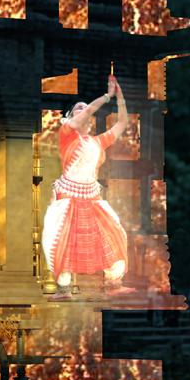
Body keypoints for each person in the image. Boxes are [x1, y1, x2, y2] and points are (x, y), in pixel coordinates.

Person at [42, 74, 133, 299]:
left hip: (91, 195)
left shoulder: (97, 142)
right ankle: (63, 288)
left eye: (85, 110)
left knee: (115, 231)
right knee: (57, 237)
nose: (83, 112)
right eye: (78, 110)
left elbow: (122, 123)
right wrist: (105, 97)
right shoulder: (66, 136)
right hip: (68, 194)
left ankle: (114, 282)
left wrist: (120, 98)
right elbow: (89, 111)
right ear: (70, 118)